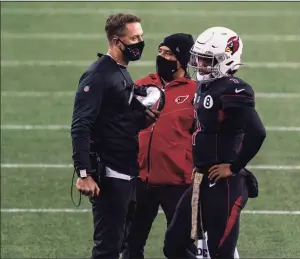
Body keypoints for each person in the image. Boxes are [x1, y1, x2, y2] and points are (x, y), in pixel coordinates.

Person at [163, 26, 266, 259]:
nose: (200, 65)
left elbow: (257, 132)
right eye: (199, 59)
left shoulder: (234, 89)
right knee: (173, 246)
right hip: (202, 180)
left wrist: (234, 166)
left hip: (225, 185)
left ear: (227, 59)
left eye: (207, 60)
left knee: (221, 254)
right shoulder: (206, 85)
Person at [70, 13, 159, 259]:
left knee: (123, 244)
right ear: (116, 41)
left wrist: (143, 119)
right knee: (107, 248)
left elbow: (115, 118)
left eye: (141, 36)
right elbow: (80, 125)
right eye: (134, 38)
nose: (140, 42)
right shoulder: (98, 75)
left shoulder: (119, 71)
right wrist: (84, 174)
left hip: (127, 172)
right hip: (110, 175)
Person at [121, 33, 197, 259]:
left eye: (169, 53)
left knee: (181, 248)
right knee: (131, 245)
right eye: (161, 51)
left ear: (182, 60)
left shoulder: (195, 91)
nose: (162, 57)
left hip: (178, 184)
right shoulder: (143, 85)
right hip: (141, 180)